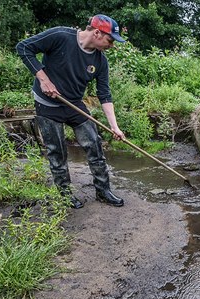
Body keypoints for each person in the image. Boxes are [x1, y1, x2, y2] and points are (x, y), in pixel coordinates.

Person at [16, 14, 127, 209]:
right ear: (97, 33)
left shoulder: (101, 62)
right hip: (48, 104)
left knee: (94, 144)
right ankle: (65, 194)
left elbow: (105, 95)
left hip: (74, 104)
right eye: (110, 40)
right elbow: (24, 48)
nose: (112, 45)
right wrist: (43, 79)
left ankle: (103, 191)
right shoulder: (60, 36)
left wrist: (114, 127)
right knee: (56, 152)